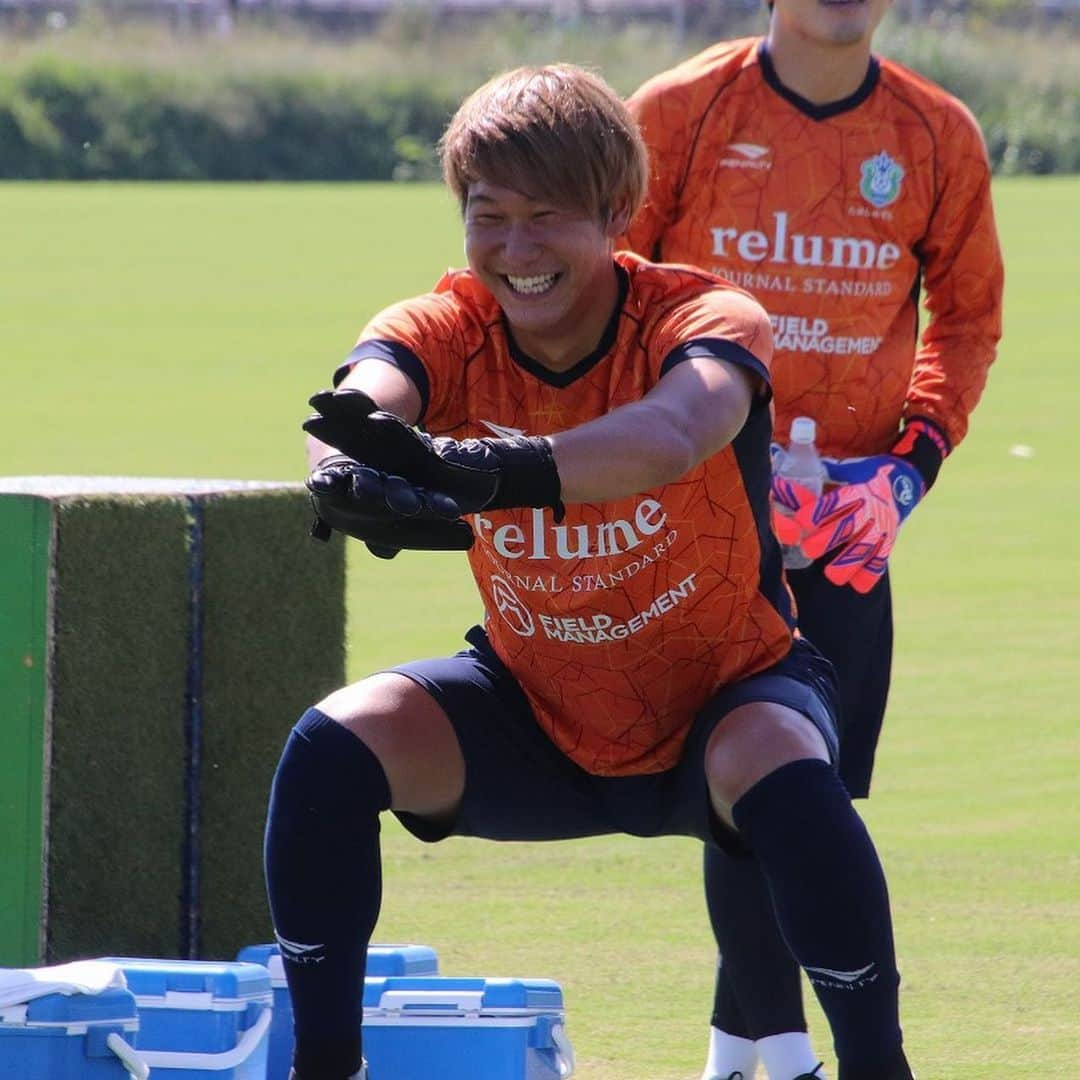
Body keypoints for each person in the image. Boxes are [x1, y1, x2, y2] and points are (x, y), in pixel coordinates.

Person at [266, 62, 917, 1080]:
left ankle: (881, 1068)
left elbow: (670, 434)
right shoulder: (447, 323)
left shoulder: (704, 318)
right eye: (489, 216)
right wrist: (350, 471)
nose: (516, 251)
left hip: (725, 699)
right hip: (538, 710)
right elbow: (361, 397)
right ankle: (322, 1069)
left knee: (776, 757)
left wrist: (485, 471)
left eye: (548, 217)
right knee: (332, 746)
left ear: (617, 211)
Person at [623, 1, 1004, 1077]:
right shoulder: (683, 112)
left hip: (846, 532)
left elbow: (967, 319)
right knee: (755, 779)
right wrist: (671, 444)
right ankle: (790, 1061)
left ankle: (735, 1060)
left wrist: (905, 471)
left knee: (797, 803)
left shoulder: (936, 134)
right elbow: (606, 289)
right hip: (696, 517)